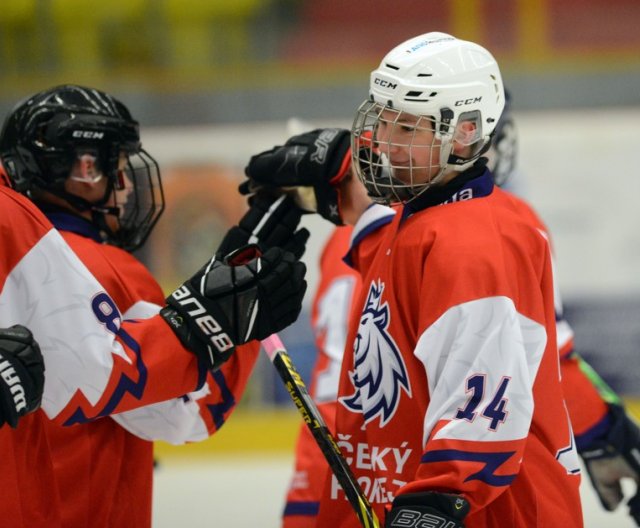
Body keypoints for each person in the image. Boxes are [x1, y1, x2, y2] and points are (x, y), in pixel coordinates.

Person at [242, 32, 582, 527]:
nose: (384, 142)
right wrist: (336, 178)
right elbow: (380, 225)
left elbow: (484, 401)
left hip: (488, 513)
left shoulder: (474, 245)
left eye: (406, 128)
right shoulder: (416, 214)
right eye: (382, 120)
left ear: (465, 132)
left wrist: (436, 503)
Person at [280, 92, 640, 527]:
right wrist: (601, 431)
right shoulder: (499, 226)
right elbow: (540, 361)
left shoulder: (357, 233)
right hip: (438, 476)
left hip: (344, 464)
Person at [0, 83, 311, 527]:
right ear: (85, 169)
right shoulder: (108, 270)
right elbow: (193, 411)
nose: (126, 187)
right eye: (119, 167)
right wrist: (237, 322)